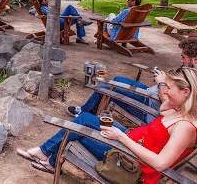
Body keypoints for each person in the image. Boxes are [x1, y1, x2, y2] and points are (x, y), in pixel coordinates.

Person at [18, 67, 197, 184]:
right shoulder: (180, 111)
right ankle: (45, 152)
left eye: (170, 89)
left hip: (129, 163)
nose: (165, 92)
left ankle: (49, 159)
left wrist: (122, 138)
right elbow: (164, 109)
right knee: (85, 118)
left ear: (186, 92)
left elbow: (159, 163)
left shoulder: (185, 127)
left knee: (79, 130)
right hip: (130, 142)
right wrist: (174, 97)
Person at [66, 38, 197, 121]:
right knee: (117, 79)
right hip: (150, 93)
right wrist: (165, 79)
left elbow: (169, 103)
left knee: (105, 88)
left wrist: (162, 82)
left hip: (148, 106)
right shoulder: (188, 70)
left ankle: (83, 112)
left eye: (183, 57)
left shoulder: (192, 80)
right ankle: (90, 110)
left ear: (195, 60)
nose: (181, 60)